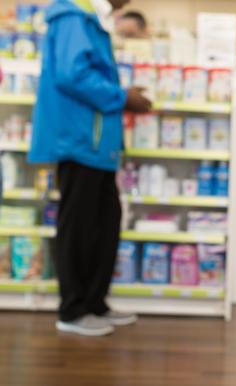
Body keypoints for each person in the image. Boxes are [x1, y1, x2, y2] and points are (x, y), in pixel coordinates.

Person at [29, 0, 151, 336]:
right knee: (79, 226)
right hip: (78, 139)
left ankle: (95, 303)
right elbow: (73, 74)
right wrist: (122, 96)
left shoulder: (91, 19)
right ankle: (72, 310)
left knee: (105, 222)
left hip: (96, 142)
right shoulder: (72, 16)